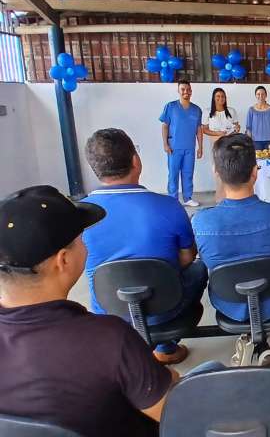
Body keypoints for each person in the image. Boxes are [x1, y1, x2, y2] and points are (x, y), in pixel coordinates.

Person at [0, 185, 179, 437]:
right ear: (63, 260)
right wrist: (169, 378)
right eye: (81, 241)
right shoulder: (110, 339)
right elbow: (180, 417)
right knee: (207, 371)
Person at [82, 128, 208, 365]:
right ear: (136, 161)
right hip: (165, 307)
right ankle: (165, 347)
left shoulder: (79, 215)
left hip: (109, 311)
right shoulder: (169, 206)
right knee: (199, 269)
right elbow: (188, 257)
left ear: (94, 168)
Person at [192, 134, 270, 364]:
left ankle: (253, 341)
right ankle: (259, 342)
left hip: (229, 301)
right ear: (255, 172)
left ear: (216, 171)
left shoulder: (201, 221)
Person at [159, 79, 203, 207]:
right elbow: (165, 126)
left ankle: (188, 197)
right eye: (183, 89)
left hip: (189, 147)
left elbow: (199, 129)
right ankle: (173, 199)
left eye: (188, 90)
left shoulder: (196, 110)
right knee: (173, 174)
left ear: (191, 92)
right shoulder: (171, 107)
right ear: (178, 91)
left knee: (188, 173)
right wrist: (165, 144)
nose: (185, 92)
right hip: (174, 147)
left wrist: (200, 147)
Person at [202, 88, 240, 202]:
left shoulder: (231, 111)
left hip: (230, 142)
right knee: (219, 169)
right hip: (216, 142)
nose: (220, 98)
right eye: (218, 96)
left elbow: (236, 126)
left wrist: (237, 128)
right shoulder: (208, 112)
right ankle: (220, 197)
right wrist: (218, 133)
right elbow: (205, 130)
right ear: (214, 98)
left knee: (230, 168)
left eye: (223, 96)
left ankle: (231, 196)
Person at [246, 86, 270, 151]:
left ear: (266, 95)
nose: (260, 96)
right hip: (256, 141)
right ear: (255, 95)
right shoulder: (251, 110)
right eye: (258, 94)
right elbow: (249, 127)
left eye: (262, 94)